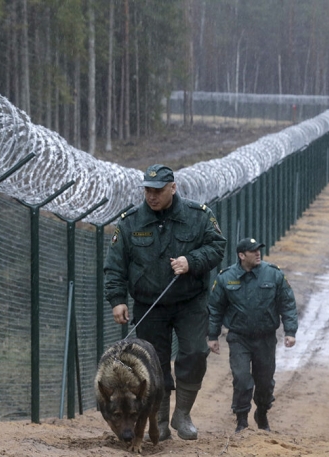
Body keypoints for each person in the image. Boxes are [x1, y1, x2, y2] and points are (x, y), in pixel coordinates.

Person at [104, 164, 226, 441]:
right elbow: (115, 265)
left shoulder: (198, 217)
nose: (152, 196)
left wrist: (191, 261)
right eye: (148, 190)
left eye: (158, 190)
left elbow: (217, 247)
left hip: (190, 301)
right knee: (152, 365)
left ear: (173, 188)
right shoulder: (130, 222)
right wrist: (117, 299)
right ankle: (158, 420)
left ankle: (183, 413)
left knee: (195, 352)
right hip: (149, 305)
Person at [207, 237, 298, 433]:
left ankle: (262, 413)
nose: (258, 253)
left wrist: (290, 331)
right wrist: (212, 336)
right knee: (241, 378)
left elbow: (287, 303)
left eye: (259, 250)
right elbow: (215, 308)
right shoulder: (226, 278)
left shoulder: (272, 274)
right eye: (253, 251)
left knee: (264, 381)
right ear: (241, 255)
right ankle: (242, 420)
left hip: (265, 337)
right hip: (239, 337)